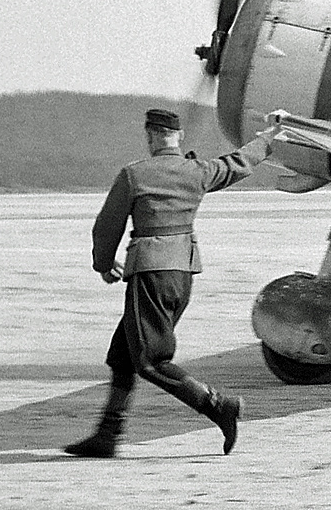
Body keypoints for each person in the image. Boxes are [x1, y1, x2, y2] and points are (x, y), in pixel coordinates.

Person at [65, 108, 274, 459]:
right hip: (182, 276)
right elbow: (240, 162)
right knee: (123, 354)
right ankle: (107, 434)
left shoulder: (135, 175)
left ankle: (217, 405)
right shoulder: (198, 172)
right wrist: (269, 138)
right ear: (177, 138)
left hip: (149, 274)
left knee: (150, 359)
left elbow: (106, 226)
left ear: (150, 135)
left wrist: (103, 264)